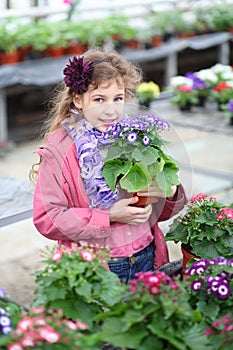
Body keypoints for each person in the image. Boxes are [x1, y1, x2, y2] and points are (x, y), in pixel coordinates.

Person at [31, 47, 187, 283]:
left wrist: (170, 192)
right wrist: (108, 215)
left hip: (147, 253)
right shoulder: (61, 149)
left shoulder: (136, 137)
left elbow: (163, 211)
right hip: (99, 265)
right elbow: (48, 217)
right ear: (78, 100)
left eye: (118, 98)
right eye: (99, 99)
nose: (111, 109)